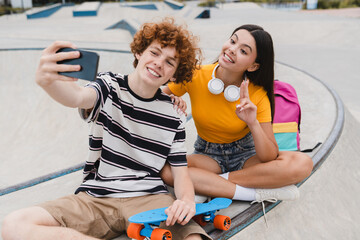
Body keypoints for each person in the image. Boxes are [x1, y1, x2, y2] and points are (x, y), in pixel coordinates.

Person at [1, 18, 211, 240]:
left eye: (170, 62)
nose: (159, 63)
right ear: (140, 52)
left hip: (150, 198)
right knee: (14, 225)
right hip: (96, 197)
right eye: (155, 52)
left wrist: (186, 200)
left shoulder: (173, 114)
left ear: (175, 75)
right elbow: (78, 97)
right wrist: (49, 82)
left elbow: (180, 173)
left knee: (193, 238)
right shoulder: (109, 86)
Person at [161, 24, 313, 205]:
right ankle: (251, 193)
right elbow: (153, 97)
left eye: (243, 51)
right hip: (208, 156)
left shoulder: (257, 94)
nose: (232, 50)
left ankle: (211, 184)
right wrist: (171, 102)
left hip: (246, 156)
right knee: (167, 170)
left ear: (253, 65)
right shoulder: (196, 75)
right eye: (232, 41)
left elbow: (268, 156)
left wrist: (253, 123)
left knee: (303, 163)